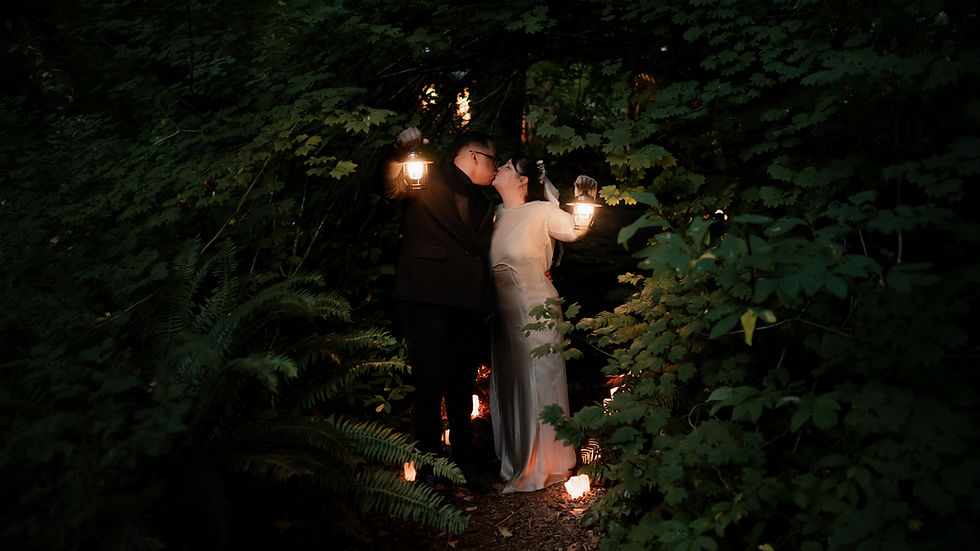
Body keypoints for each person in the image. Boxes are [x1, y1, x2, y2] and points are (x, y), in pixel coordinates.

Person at [384, 127, 498, 488]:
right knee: (428, 383)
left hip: (466, 302)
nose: (496, 169)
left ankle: (465, 463)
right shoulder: (424, 173)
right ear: (475, 156)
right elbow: (390, 185)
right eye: (493, 161)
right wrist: (398, 150)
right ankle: (429, 467)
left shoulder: (487, 200)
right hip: (426, 296)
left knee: (462, 385)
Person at [488, 155, 595, 493]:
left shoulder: (541, 211)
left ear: (522, 181)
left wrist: (584, 201)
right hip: (503, 318)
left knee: (538, 381)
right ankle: (516, 458)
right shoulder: (494, 215)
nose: (499, 168)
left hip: (537, 312)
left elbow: (574, 230)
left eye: (506, 166)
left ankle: (544, 462)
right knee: (510, 381)